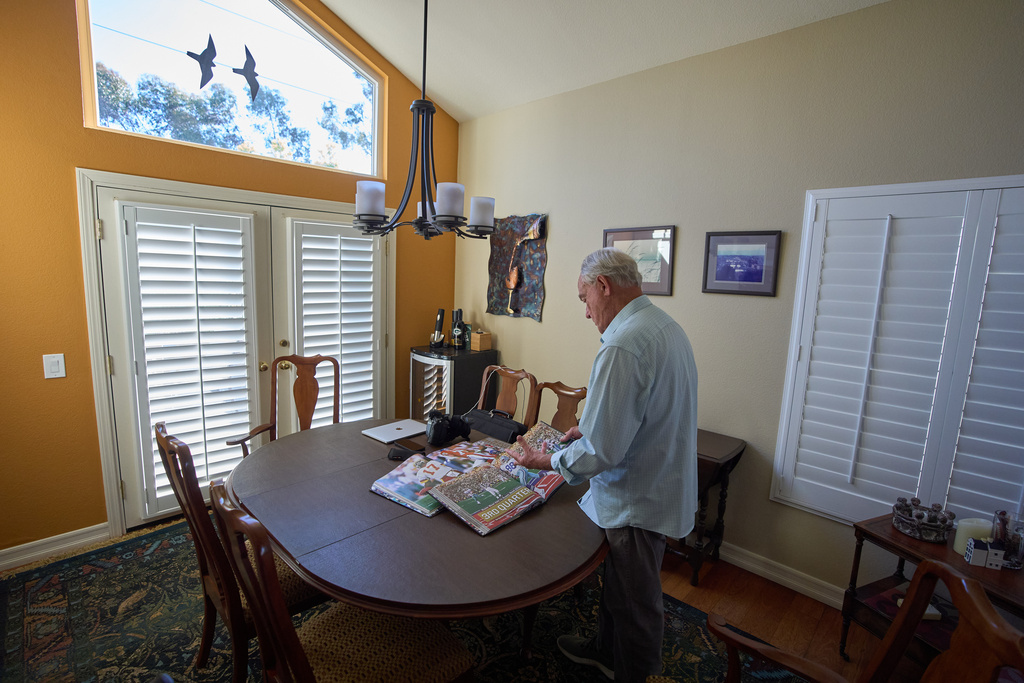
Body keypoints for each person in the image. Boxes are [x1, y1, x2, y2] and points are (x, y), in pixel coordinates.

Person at [510, 247, 698, 682]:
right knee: (622, 588)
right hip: (658, 479)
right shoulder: (664, 327)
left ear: (604, 286)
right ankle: (605, 650)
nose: (586, 310)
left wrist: (547, 458)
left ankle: (634, 672)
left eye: (583, 298)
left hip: (637, 496)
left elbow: (601, 453)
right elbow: (641, 417)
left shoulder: (622, 344)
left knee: (636, 601)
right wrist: (589, 433)